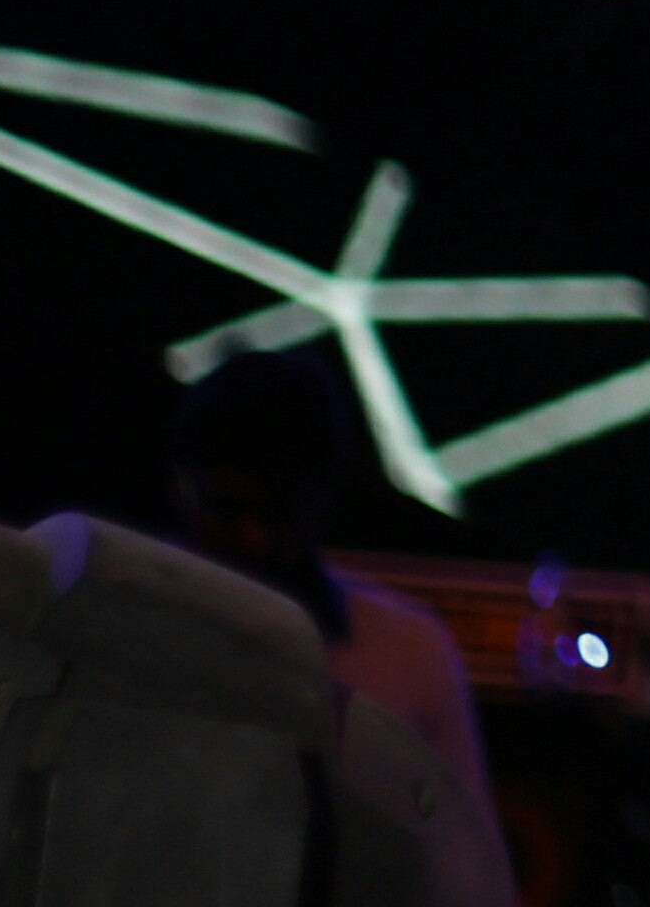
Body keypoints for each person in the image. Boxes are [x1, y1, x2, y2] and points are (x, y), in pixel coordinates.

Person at [166, 348, 516, 907]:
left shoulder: (407, 651)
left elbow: (470, 883)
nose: (254, 537)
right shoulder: (122, 622)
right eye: (227, 509)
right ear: (181, 489)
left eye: (278, 513)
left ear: (324, 503)